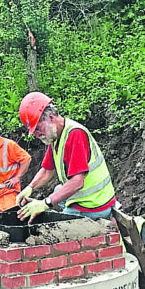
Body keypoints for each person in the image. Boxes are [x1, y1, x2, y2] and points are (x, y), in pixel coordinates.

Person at [15, 93, 117, 221]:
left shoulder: (75, 135)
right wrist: (30, 188)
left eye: (38, 128)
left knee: (54, 230)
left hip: (95, 205)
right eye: (34, 131)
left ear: (50, 117)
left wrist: (45, 203)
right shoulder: (56, 137)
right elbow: (47, 171)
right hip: (84, 200)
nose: (37, 134)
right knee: (58, 190)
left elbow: (77, 182)